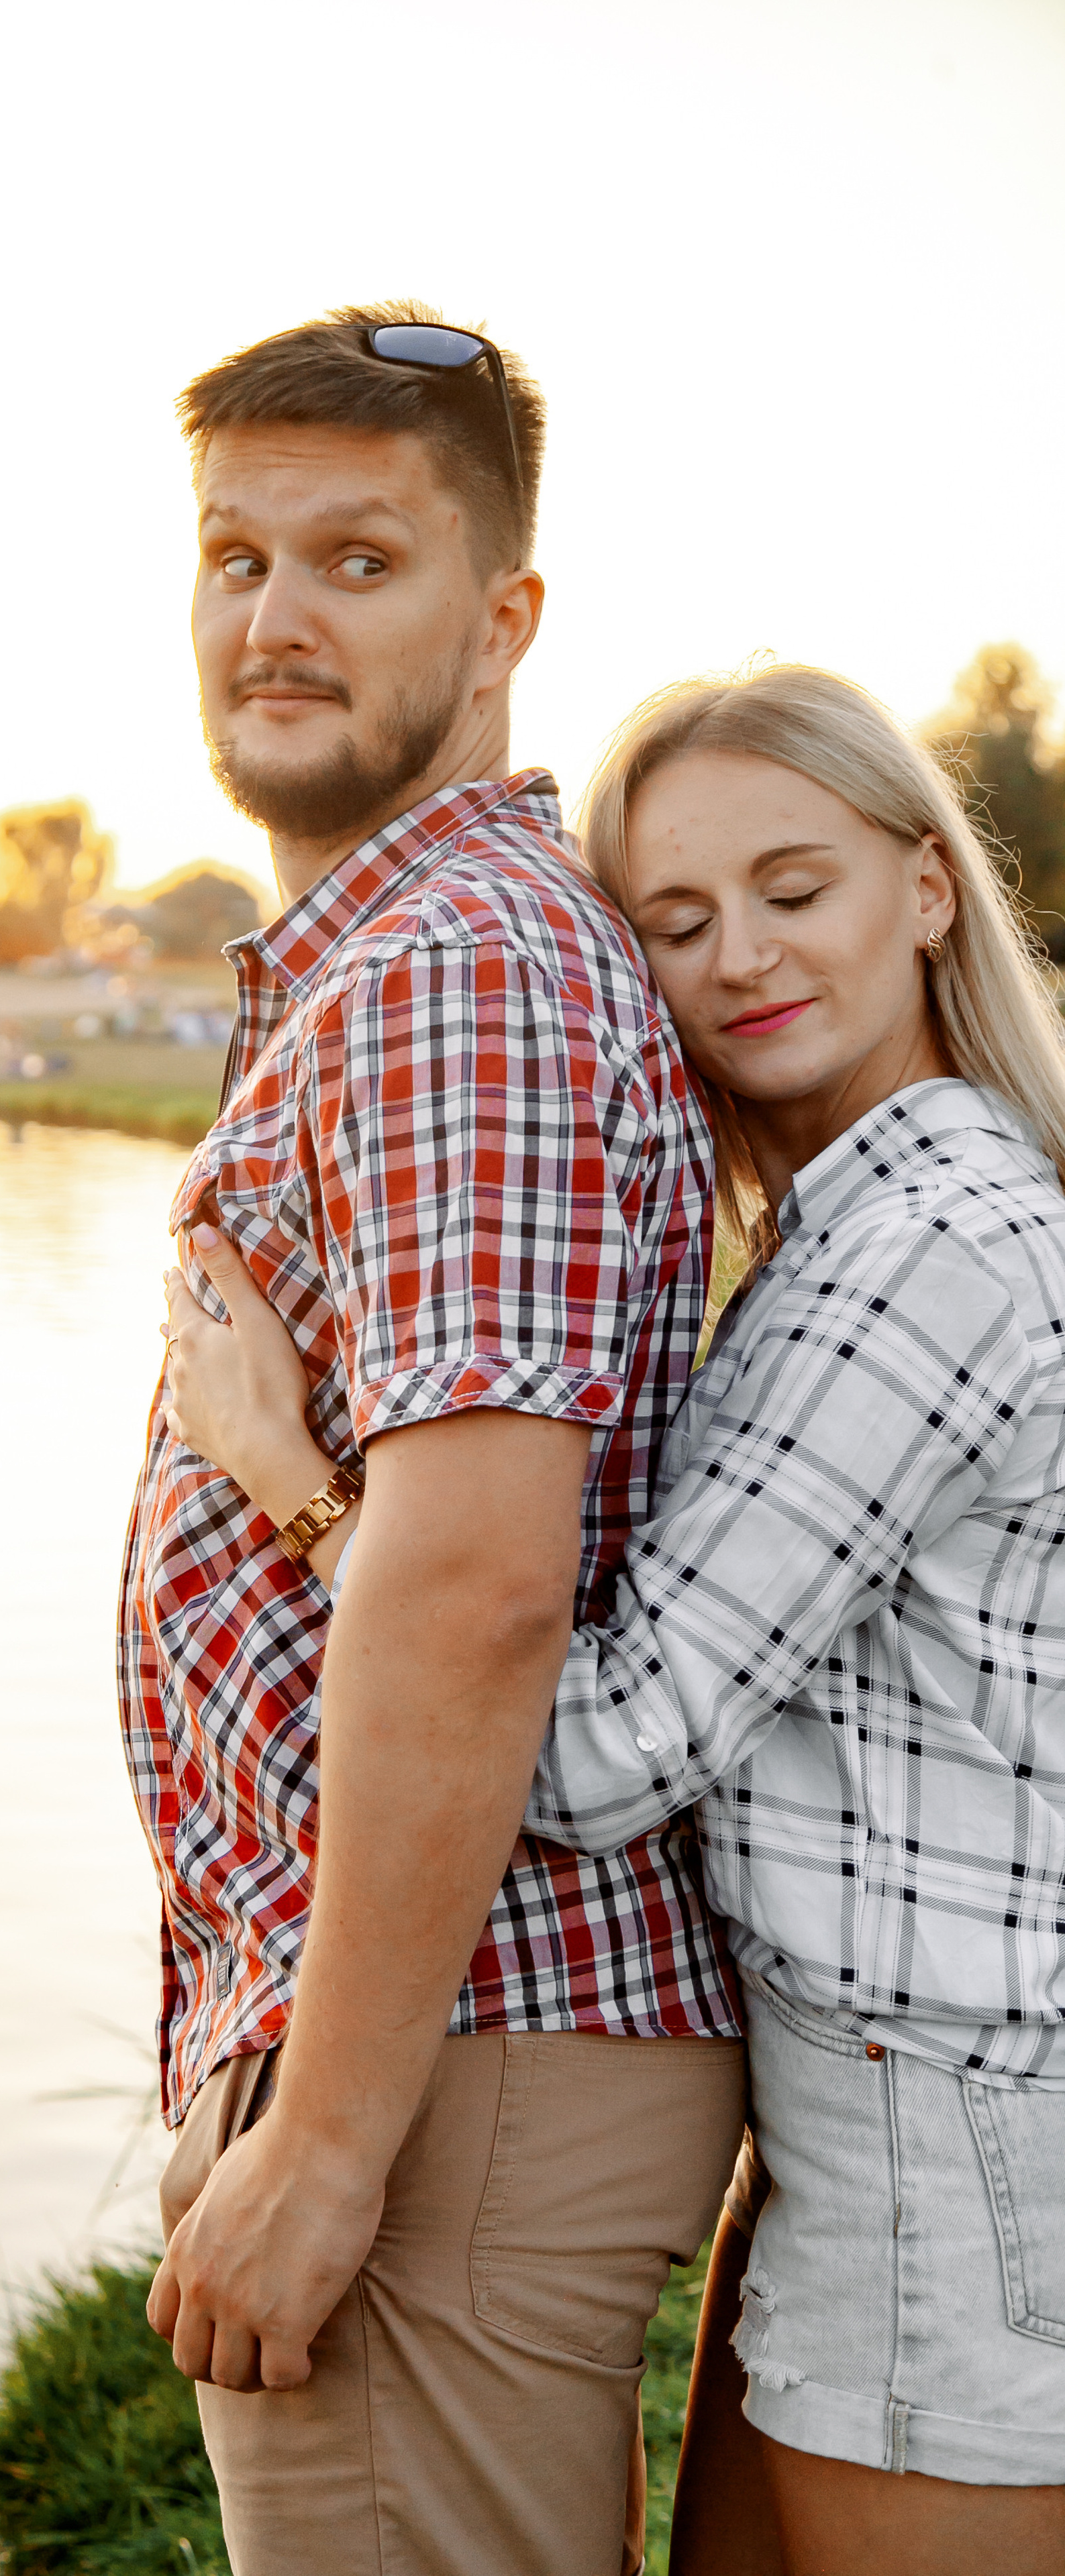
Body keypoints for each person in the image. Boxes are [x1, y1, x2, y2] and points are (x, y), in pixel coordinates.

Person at [164, 663, 1065, 2576]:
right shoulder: (866, 1221)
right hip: (886, 2131)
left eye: (792, 888)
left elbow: (586, 1747)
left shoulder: (928, 1245)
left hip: (954, 2163)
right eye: (675, 920)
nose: (738, 957)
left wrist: (301, 1477)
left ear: (924, 887)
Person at [118, 302, 746, 2576]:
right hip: (436, 2055)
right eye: (232, 555)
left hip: (450, 2066)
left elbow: (480, 1580)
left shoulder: (455, 966)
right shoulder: (394, 955)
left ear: (504, 624)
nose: (272, 617)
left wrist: (328, 2143)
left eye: (358, 561)